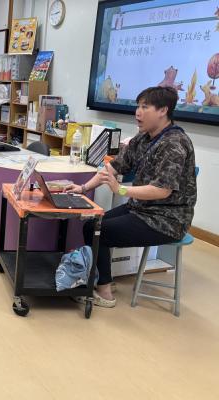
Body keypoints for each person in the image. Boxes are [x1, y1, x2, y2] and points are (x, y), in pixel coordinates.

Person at [66, 86, 197, 307]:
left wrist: (121, 190)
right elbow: (113, 168)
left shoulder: (174, 143)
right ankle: (104, 279)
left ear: (163, 110)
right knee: (91, 224)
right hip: (141, 208)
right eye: (138, 106)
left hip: (166, 219)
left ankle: (105, 293)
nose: (138, 112)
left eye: (145, 107)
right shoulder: (143, 138)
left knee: (98, 230)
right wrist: (83, 188)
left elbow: (162, 190)